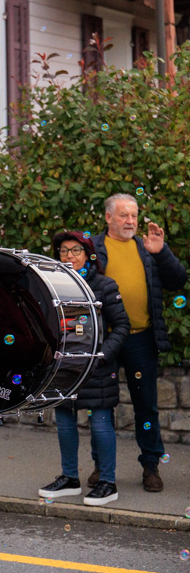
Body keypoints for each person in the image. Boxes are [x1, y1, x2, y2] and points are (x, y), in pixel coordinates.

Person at [91, 193, 187, 492]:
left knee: (146, 406)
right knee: (100, 405)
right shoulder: (92, 248)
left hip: (141, 339)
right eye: (123, 215)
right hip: (104, 341)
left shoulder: (148, 248)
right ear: (108, 218)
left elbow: (178, 281)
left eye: (133, 215)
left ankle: (151, 465)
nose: (130, 221)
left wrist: (162, 253)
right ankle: (101, 467)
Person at [38, 231, 129, 506]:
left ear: (88, 254)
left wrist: (101, 356)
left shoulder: (104, 285)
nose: (69, 256)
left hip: (97, 368)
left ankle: (107, 483)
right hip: (64, 368)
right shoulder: (52, 286)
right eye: (63, 251)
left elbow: (122, 326)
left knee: (101, 425)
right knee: (65, 424)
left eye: (75, 251)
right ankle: (70, 479)